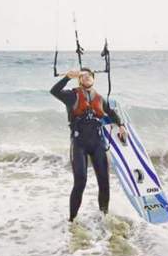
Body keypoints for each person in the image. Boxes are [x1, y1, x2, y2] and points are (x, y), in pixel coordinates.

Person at [50, 67, 127, 222]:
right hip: (79, 144)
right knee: (80, 181)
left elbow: (111, 113)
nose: (87, 77)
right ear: (79, 79)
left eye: (89, 75)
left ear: (93, 79)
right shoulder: (72, 95)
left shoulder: (99, 98)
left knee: (104, 183)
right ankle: (72, 221)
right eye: (83, 75)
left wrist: (121, 125)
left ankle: (104, 217)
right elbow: (54, 91)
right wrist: (67, 77)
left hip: (98, 143)